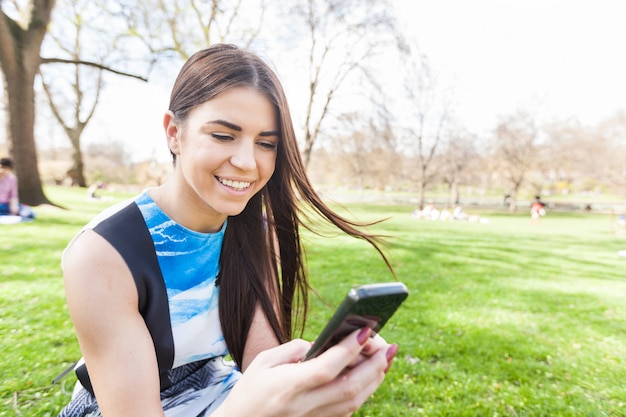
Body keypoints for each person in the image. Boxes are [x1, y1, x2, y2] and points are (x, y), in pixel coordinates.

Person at [57, 44, 398, 417]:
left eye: (266, 143)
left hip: (217, 389)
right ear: (174, 133)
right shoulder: (101, 255)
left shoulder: (254, 230)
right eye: (223, 136)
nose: (247, 162)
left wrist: (315, 383)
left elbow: (262, 364)